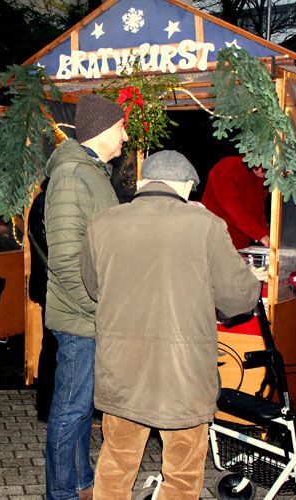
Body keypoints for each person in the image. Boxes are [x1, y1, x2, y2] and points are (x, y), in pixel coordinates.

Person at [80, 150, 261, 499]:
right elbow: (240, 297)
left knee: (116, 466)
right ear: (187, 187)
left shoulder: (103, 223)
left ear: (144, 182)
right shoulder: (205, 225)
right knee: (181, 475)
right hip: (184, 378)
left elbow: (92, 286)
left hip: (121, 371)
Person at [44, 93, 127, 500]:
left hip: (93, 314)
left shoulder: (92, 173)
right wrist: (100, 308)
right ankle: (61, 491)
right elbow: (65, 258)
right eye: (121, 127)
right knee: (71, 411)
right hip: (80, 317)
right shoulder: (71, 177)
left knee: (79, 412)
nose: (126, 135)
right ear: (102, 131)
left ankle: (80, 481)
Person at [28, 178, 56, 422]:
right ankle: (47, 406)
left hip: (48, 285)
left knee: (51, 346)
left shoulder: (43, 201)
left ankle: (46, 406)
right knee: (53, 347)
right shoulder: (49, 203)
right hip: (54, 286)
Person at [201, 155, 270, 249]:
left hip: (239, 245)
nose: (264, 173)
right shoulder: (228, 166)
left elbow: (258, 213)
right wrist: (261, 235)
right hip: (213, 239)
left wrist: (270, 239)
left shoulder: (262, 179)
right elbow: (230, 206)